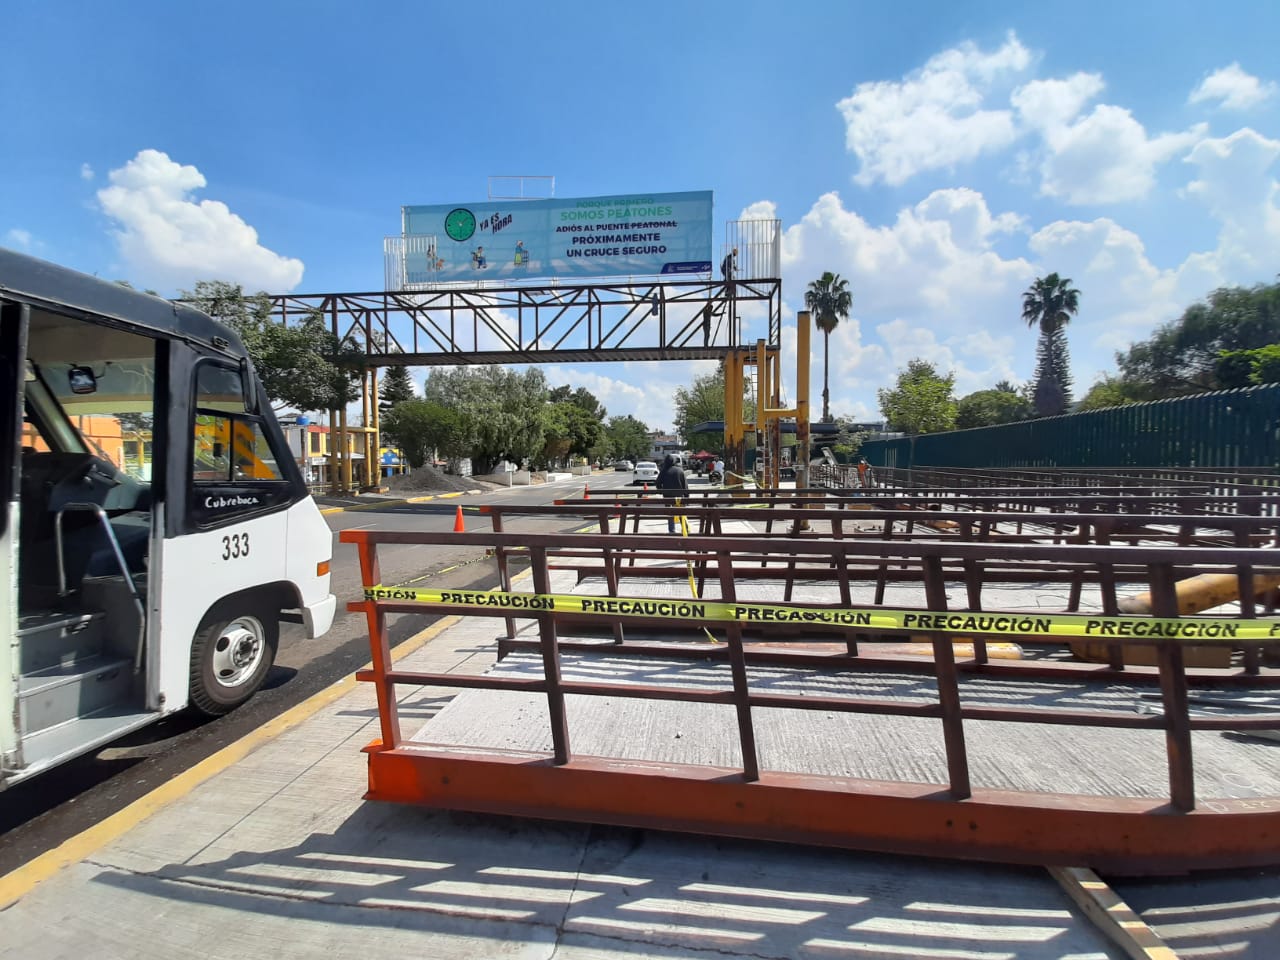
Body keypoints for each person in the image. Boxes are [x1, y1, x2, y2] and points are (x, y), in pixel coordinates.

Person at [656, 453, 688, 533]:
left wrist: (661, 490)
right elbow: (685, 485)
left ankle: (672, 530)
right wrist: (687, 497)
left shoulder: (664, 471)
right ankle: (685, 528)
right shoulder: (680, 470)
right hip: (679, 496)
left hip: (667, 496)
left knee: (670, 513)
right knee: (681, 513)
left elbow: (657, 483)